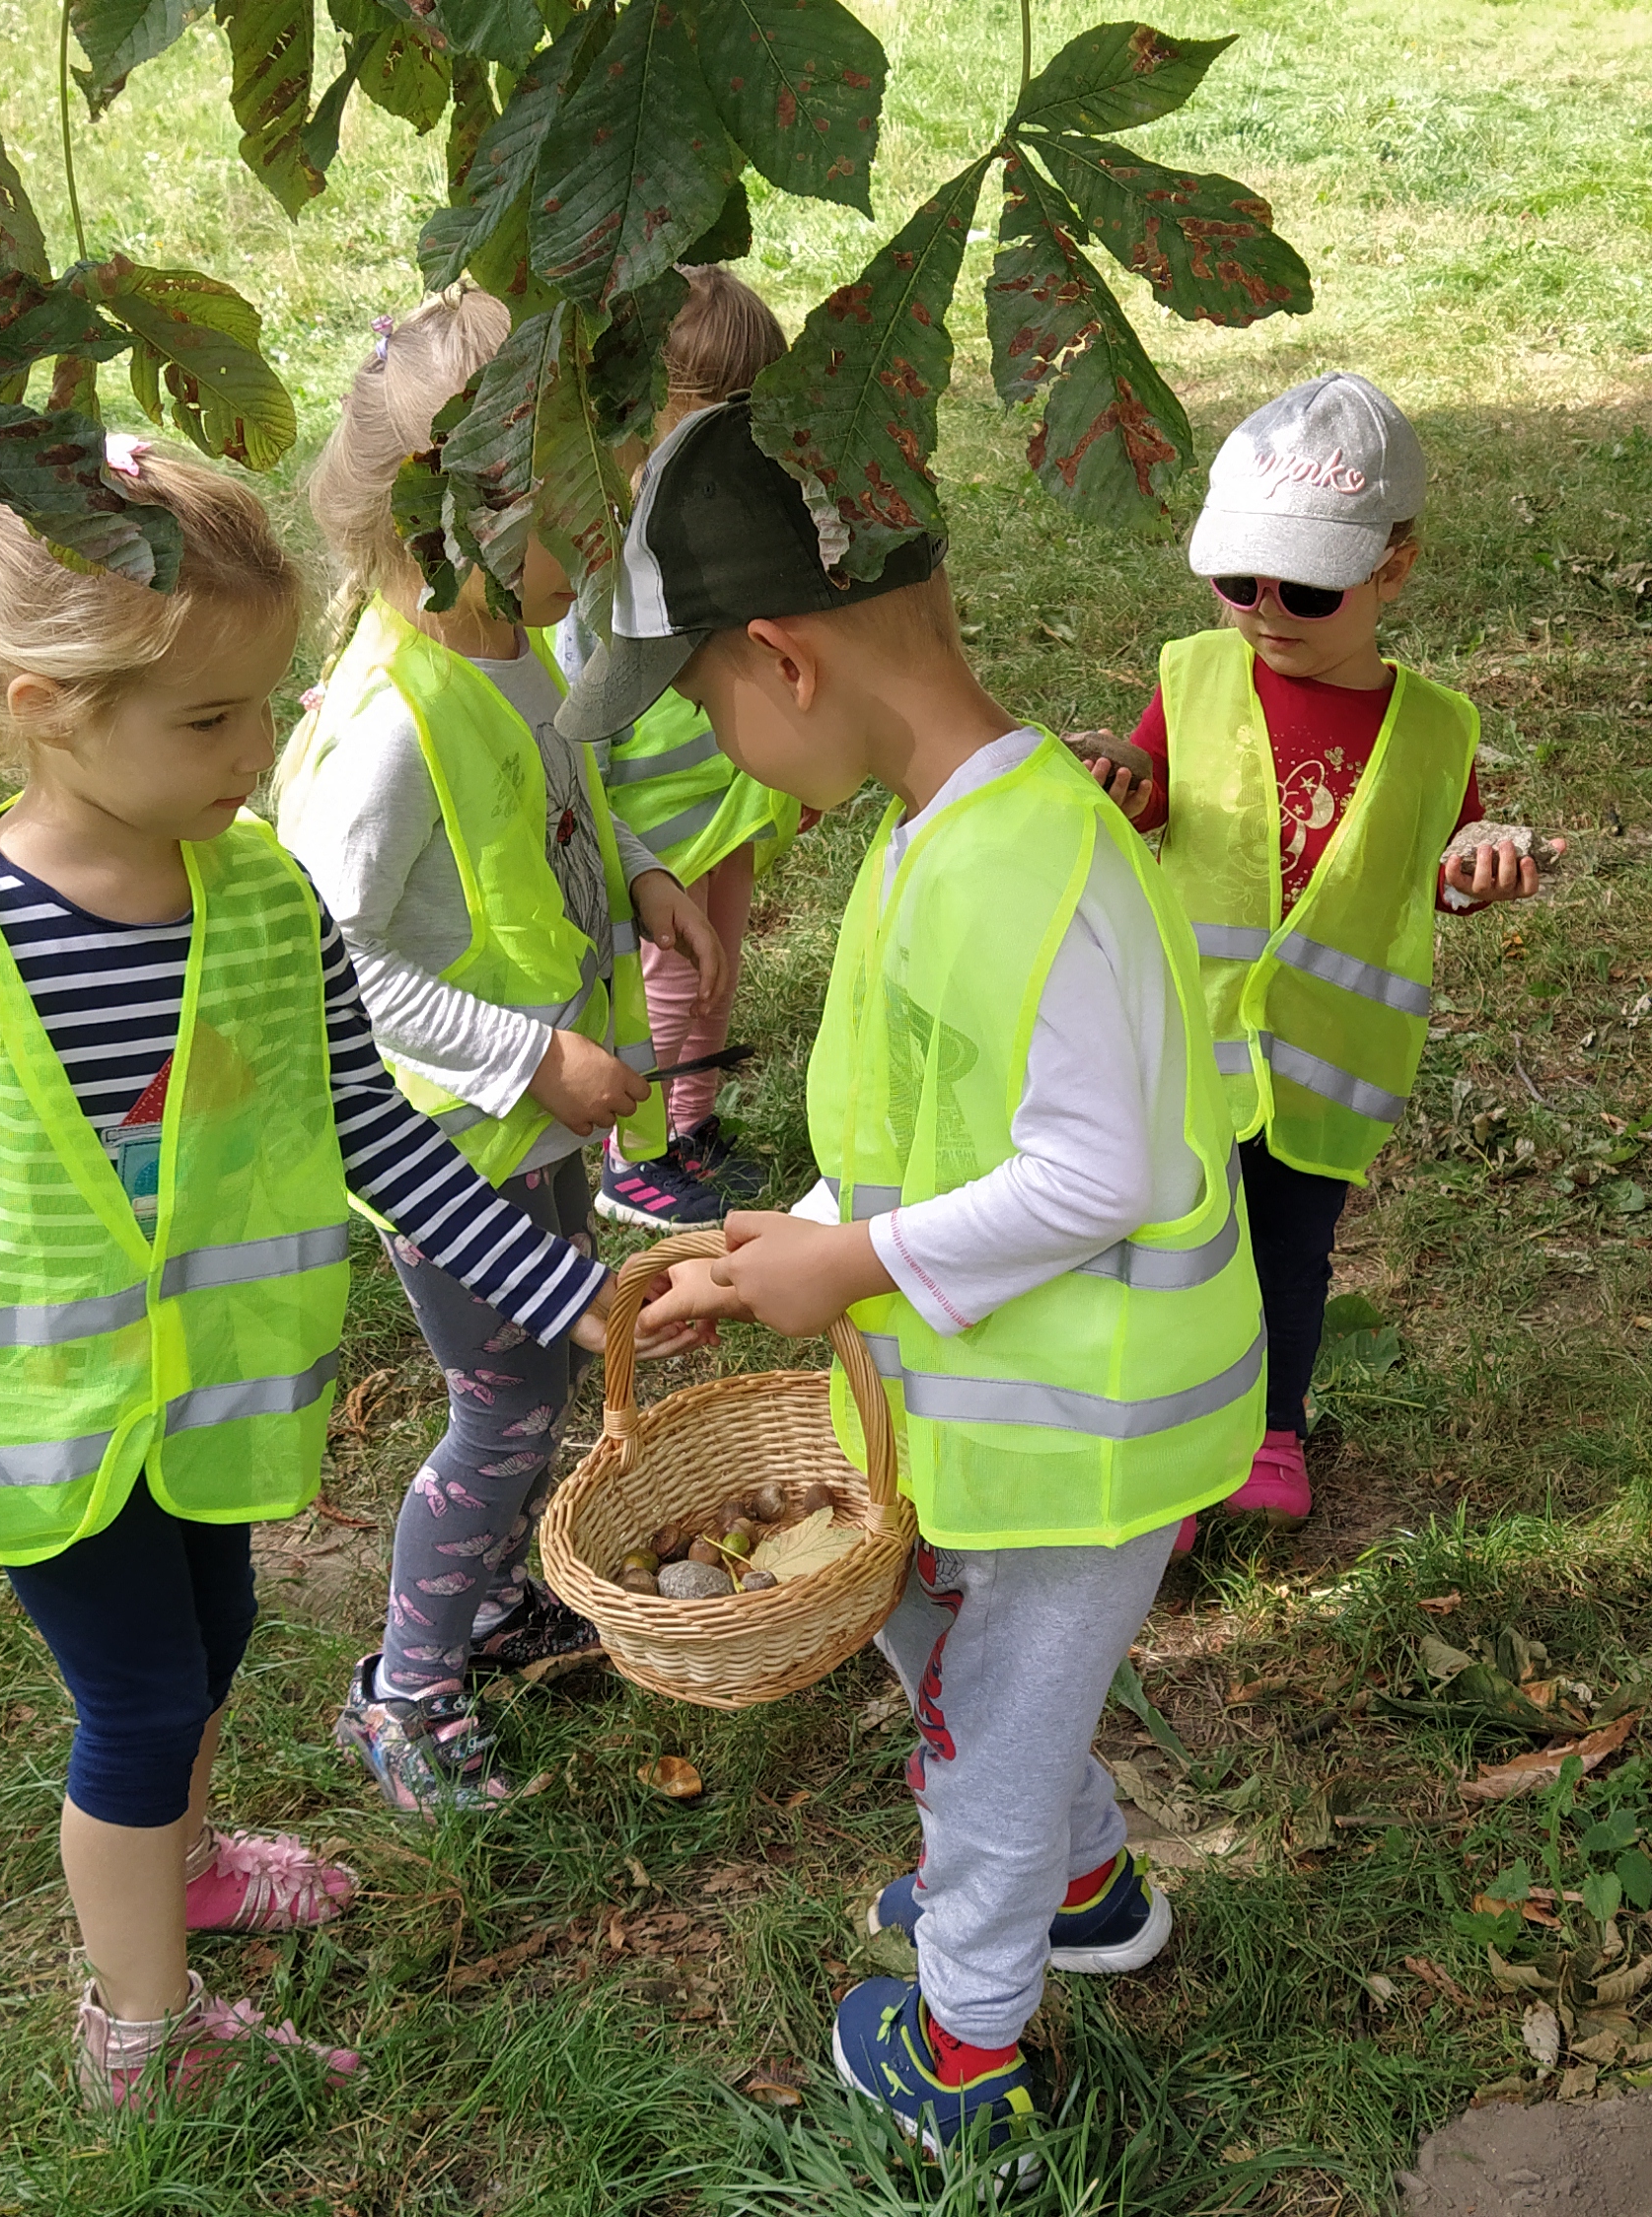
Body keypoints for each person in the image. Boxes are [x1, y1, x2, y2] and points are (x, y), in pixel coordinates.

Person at [0, 441, 639, 2106]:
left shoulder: (264, 899)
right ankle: (140, 2028)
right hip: (45, 1425)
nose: (262, 754)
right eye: (210, 721)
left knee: (218, 1626)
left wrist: (558, 1287)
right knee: (142, 1698)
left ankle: (186, 1863)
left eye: (264, 705)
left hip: (210, 1406)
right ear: (43, 703)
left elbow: (377, 1137)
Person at [568, 399, 1258, 2157]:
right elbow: (928, 1132)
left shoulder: (1023, 858)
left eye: (698, 700)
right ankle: (1085, 1890)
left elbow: (1106, 1173)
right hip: (1001, 1406)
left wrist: (855, 1260)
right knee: (945, 1651)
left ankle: (970, 2062)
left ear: (783, 659)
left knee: (995, 1730)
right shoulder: (936, 825)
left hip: (1084, 1437)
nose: (704, 742)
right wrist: (766, 1249)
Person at [268, 284, 731, 1817]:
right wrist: (526, 1057)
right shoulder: (388, 726)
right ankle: (405, 1689)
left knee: (540, 1368)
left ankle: (480, 1610)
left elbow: (561, 801)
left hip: (529, 1122)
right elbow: (329, 961)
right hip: (448, 1143)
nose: (597, 550)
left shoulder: (509, 641)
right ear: (454, 512)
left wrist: (646, 873)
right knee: (506, 1404)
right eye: (573, 516)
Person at [1089, 373, 1555, 1538]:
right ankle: (1168, 1436)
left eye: (1301, 585)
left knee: (1290, 1261)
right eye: (1233, 580)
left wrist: (1476, 867)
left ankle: (1268, 1428)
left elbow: (1435, 865)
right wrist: (1117, 777)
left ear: (1392, 567)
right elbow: (1147, 802)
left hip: (1321, 1065)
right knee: (1166, 1249)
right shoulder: (1190, 678)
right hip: (1185, 1048)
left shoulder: (1437, 728)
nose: (1261, 608)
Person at [563, 266, 806, 1228]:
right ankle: (637, 1159)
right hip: (653, 826)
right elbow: (573, 705)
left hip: (724, 801)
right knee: (665, 990)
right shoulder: (595, 554)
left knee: (717, 972)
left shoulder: (727, 523)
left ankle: (690, 1126)